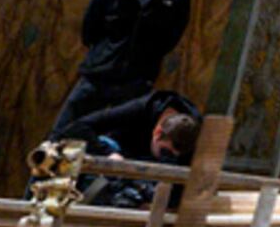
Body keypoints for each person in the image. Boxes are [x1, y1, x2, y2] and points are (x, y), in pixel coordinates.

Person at [48, 0, 192, 140]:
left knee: (116, 138)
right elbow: (90, 31)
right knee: (65, 131)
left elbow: (170, 39)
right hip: (98, 77)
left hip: (136, 82)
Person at [54, 87, 200, 209]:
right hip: (120, 156)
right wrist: (108, 153)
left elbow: (181, 193)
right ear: (157, 132)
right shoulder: (142, 108)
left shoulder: (192, 135)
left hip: (147, 180)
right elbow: (77, 127)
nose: (168, 156)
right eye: (165, 152)